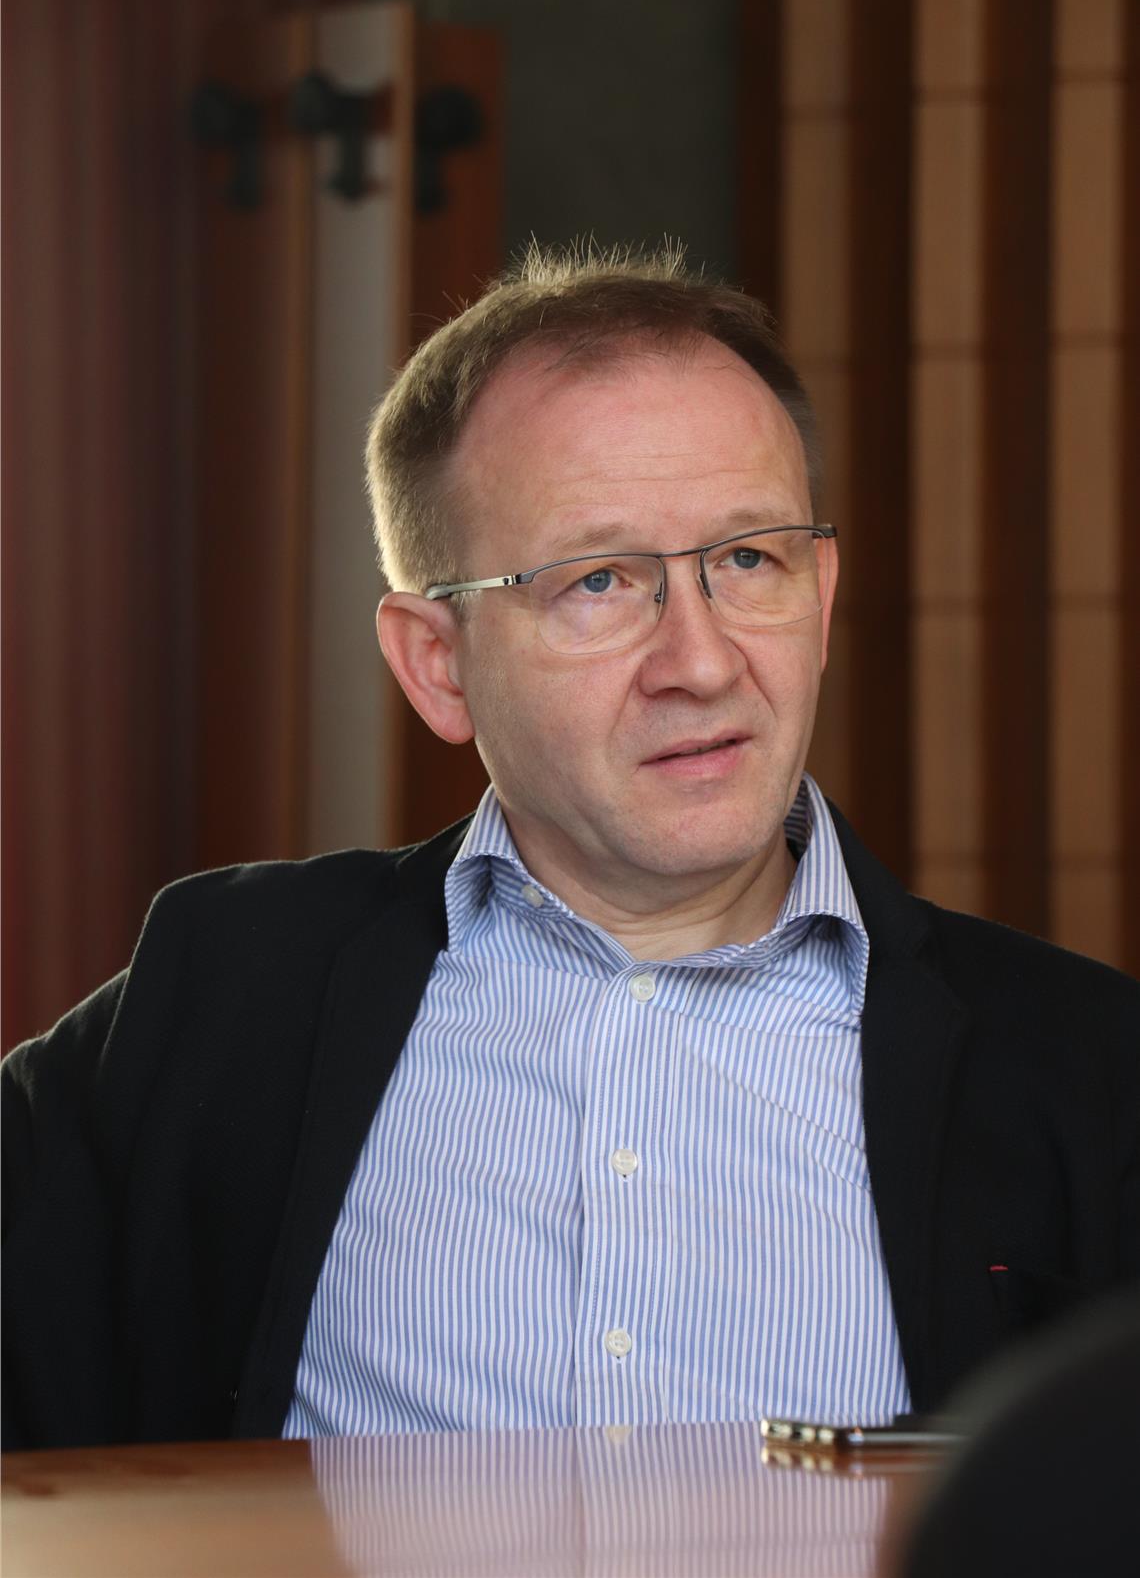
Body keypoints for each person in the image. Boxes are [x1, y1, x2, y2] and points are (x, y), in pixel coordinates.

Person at [3, 246, 1137, 1452]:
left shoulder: (1090, 1065)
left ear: (820, 595)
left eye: (748, 558)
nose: (701, 661)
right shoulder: (228, 987)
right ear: (437, 663)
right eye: (599, 580)